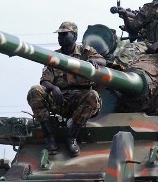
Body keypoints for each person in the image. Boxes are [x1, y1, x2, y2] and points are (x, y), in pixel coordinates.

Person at [27, 21, 106, 156]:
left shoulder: (85, 51)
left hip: (80, 99)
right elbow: (44, 80)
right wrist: (53, 88)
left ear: (74, 36)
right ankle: (50, 137)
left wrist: (93, 61)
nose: (60, 38)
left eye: (64, 34)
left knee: (92, 95)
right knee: (35, 91)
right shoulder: (53, 57)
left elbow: (103, 61)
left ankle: (71, 137)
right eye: (59, 35)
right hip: (60, 98)